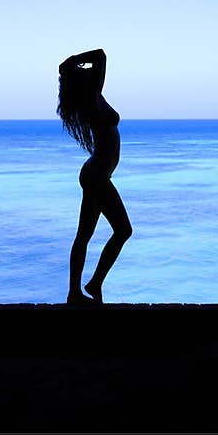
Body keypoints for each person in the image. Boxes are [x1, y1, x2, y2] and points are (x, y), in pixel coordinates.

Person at [57, 49, 132, 305]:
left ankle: (77, 292)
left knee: (85, 235)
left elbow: (98, 60)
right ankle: (91, 284)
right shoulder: (91, 97)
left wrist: (71, 66)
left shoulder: (92, 97)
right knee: (123, 230)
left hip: (95, 174)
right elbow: (100, 55)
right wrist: (70, 62)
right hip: (97, 176)